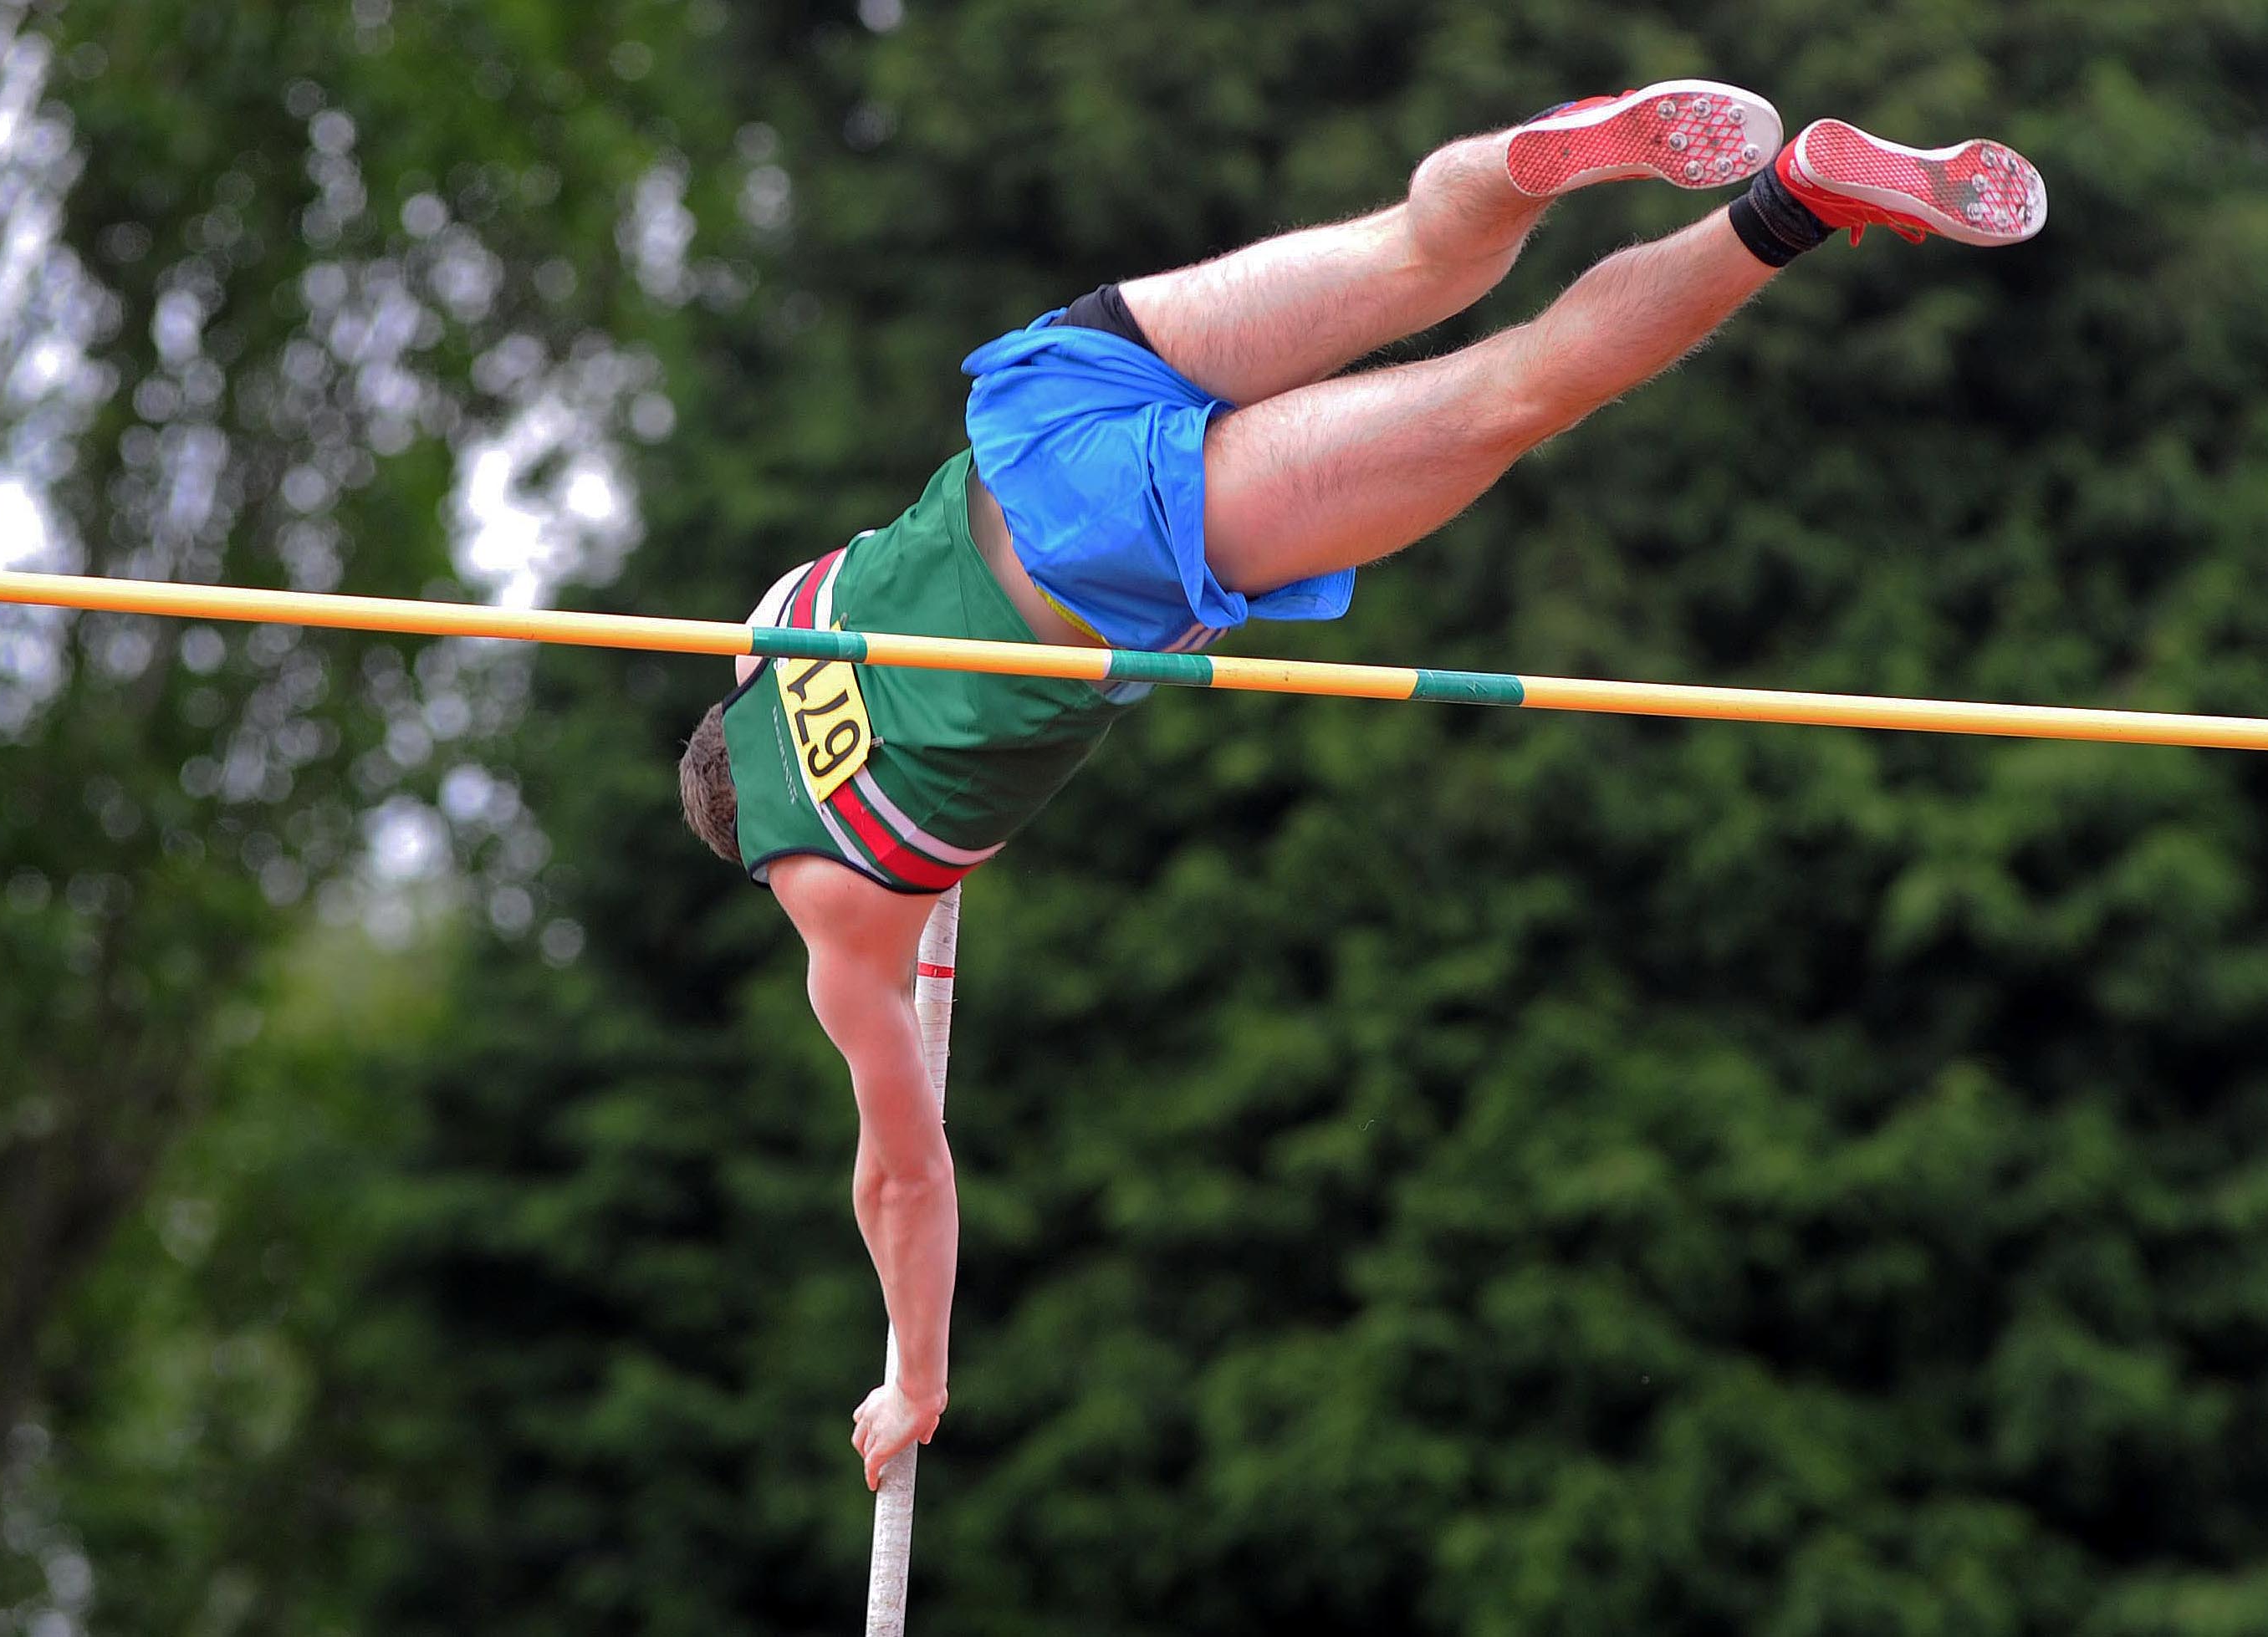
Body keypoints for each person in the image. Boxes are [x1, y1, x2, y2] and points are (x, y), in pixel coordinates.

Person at [673, 83, 2046, 1488]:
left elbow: (901, 1178)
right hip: (1050, 389)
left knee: (1515, 392)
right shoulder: (775, 622)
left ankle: (1796, 199)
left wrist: (914, 1373)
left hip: (1119, 545)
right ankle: (1535, 156)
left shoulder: (839, 920)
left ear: (748, 841)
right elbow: (854, 691)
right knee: (1416, 250)